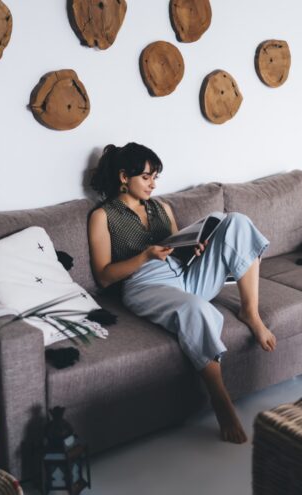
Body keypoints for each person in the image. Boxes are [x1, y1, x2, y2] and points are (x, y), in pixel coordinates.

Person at [87, 142, 276, 443]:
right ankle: (220, 401)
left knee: (236, 221)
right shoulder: (103, 215)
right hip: (145, 283)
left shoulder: (162, 208)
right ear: (124, 176)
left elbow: (178, 244)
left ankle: (249, 311)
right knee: (197, 310)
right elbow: (104, 276)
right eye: (146, 177)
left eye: (155, 177)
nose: (153, 184)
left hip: (186, 273)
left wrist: (194, 248)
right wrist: (146, 256)